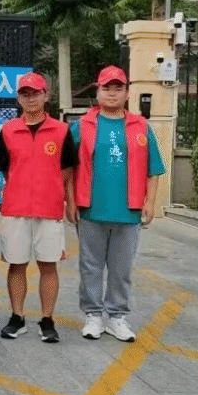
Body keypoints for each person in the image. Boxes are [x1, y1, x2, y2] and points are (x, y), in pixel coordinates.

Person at [68, 65, 166, 342]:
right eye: (106, 88)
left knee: (121, 269)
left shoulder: (141, 126)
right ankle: (93, 315)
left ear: (126, 93)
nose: (112, 93)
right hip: (91, 208)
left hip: (128, 210)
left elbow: (154, 169)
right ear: (98, 92)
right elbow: (68, 169)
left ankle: (117, 316)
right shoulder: (82, 126)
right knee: (91, 266)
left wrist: (150, 202)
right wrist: (70, 201)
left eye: (118, 88)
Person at [0, 73, 78, 344]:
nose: (30, 98)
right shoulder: (8, 130)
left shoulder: (61, 131)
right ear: (19, 98)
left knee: (48, 265)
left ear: (46, 96)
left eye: (35, 93)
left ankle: (47, 319)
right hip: (15, 207)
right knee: (16, 264)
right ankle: (17, 317)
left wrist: (65, 200)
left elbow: (67, 170)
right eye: (25, 94)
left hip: (49, 208)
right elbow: (5, 168)